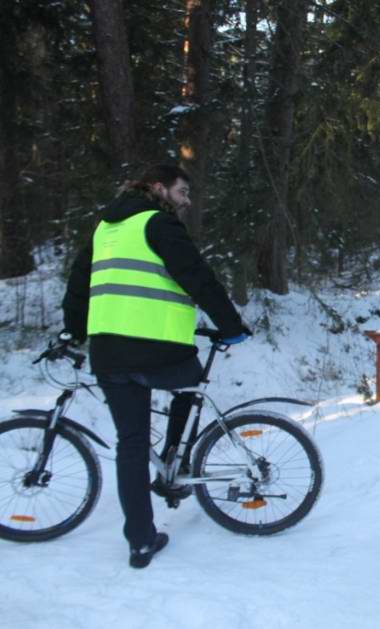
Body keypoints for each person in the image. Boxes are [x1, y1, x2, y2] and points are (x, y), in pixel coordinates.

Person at [62, 164, 249, 568]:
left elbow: (79, 285)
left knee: (130, 444)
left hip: (109, 353)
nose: (186, 200)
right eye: (182, 192)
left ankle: (141, 541)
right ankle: (174, 463)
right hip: (159, 349)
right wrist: (231, 325)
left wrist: (73, 332)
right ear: (159, 188)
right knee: (191, 384)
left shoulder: (104, 229)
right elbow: (197, 277)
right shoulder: (158, 224)